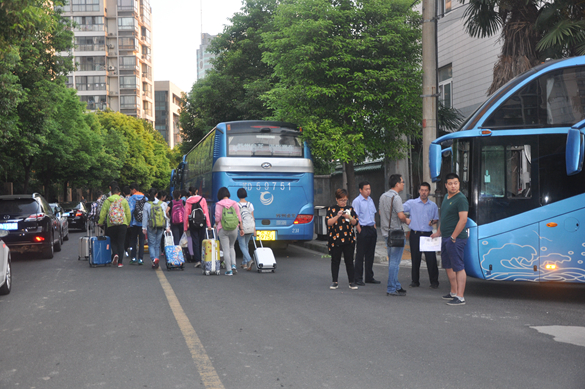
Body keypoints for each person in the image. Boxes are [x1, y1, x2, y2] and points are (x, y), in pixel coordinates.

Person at [431, 173, 469, 306]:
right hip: (446, 237)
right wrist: (438, 232)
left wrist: (453, 236)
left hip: (456, 239)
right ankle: (453, 292)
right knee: (448, 266)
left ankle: (460, 296)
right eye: (450, 183)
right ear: (446, 185)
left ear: (459, 184)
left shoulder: (461, 199)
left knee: (458, 267)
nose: (453, 186)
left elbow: (463, 220)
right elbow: (445, 217)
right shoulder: (447, 197)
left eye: (456, 183)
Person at [403, 182, 440, 289]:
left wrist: (432, 222)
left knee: (431, 259)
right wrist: (405, 219)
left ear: (429, 192)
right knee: (415, 258)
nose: (424, 192)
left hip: (428, 235)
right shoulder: (411, 203)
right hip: (415, 234)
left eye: (426, 190)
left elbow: (436, 219)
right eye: (422, 190)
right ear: (419, 191)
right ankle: (415, 281)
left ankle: (434, 281)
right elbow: (399, 209)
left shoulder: (433, 205)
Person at [379, 174, 411, 296]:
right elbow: (401, 216)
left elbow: (381, 212)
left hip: (386, 232)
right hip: (396, 232)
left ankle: (396, 285)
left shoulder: (382, 196)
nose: (403, 184)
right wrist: (407, 220)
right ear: (397, 184)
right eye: (402, 182)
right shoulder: (396, 198)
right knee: (395, 262)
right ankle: (391, 288)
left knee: (392, 260)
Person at [326, 188, 359, 290]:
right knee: (335, 260)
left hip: (348, 239)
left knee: (349, 260)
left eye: (345, 200)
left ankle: (351, 281)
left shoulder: (350, 209)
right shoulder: (331, 209)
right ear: (337, 199)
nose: (343, 202)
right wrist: (337, 216)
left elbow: (355, 222)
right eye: (341, 200)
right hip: (335, 239)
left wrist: (349, 217)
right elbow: (328, 223)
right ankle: (335, 281)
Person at [352, 181, 379, 285]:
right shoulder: (357, 201)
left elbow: (373, 215)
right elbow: (355, 216)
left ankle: (369, 276)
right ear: (360, 190)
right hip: (363, 229)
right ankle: (358, 278)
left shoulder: (370, 200)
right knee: (360, 254)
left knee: (370, 254)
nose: (368, 191)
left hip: (371, 228)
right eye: (366, 189)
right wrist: (359, 230)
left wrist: (375, 227)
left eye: (369, 189)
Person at [98, 186, 131, 267]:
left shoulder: (108, 200)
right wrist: (128, 223)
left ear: (111, 193)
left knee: (113, 241)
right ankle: (120, 262)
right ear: (119, 193)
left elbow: (103, 213)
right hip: (122, 224)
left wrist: (100, 222)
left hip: (111, 224)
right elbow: (128, 213)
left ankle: (115, 253)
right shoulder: (123, 200)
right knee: (121, 242)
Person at [214, 187, 243, 276]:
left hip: (223, 228)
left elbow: (218, 218)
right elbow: (239, 217)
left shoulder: (219, 204)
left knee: (226, 249)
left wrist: (215, 224)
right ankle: (233, 265)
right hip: (234, 228)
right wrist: (241, 229)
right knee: (232, 246)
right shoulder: (234, 203)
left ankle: (229, 270)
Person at [183, 187, 211, 267]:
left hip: (193, 223)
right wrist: (208, 225)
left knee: (195, 241)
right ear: (197, 191)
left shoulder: (188, 201)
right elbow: (206, 212)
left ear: (190, 192)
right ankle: (203, 259)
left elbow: (186, 216)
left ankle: (198, 260)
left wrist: (185, 228)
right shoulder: (202, 199)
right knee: (202, 240)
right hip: (202, 222)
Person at [143, 189, 170, 269]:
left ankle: (154, 260)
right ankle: (156, 258)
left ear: (148, 194)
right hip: (160, 225)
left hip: (151, 225)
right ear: (156, 194)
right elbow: (164, 216)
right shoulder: (161, 204)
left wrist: (144, 227)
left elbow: (145, 217)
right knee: (157, 244)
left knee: (151, 244)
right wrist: (167, 226)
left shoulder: (147, 204)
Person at [236, 188, 256, 271]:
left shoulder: (237, 205)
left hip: (242, 227)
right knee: (246, 244)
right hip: (250, 226)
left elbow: (238, 218)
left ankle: (249, 260)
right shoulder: (250, 204)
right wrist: (254, 229)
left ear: (238, 195)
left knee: (242, 245)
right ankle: (244, 263)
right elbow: (252, 218)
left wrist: (240, 228)